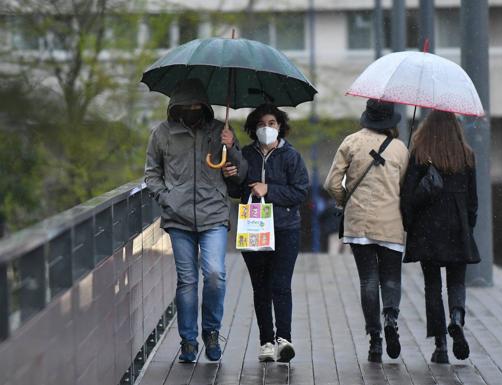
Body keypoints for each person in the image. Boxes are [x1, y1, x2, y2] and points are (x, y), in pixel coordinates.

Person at [144, 79, 248, 363]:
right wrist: (166, 198)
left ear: (205, 106)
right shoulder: (162, 134)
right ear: (175, 107)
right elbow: (151, 173)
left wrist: (232, 147)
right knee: (187, 281)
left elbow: (240, 175)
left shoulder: (220, 131)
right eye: (186, 106)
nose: (192, 110)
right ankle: (188, 341)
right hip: (178, 218)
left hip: (213, 214)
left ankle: (212, 332)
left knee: (215, 275)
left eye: (197, 106)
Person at [324, 99, 409, 362]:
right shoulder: (399, 149)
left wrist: (343, 201)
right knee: (391, 278)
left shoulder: (351, 142)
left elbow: (331, 183)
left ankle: (374, 339)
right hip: (391, 222)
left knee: (368, 280)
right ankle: (390, 318)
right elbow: (406, 188)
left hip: (358, 222)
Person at [224, 103, 309, 362]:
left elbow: (300, 192)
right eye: (261, 124)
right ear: (253, 128)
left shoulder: (291, 157)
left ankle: (284, 339)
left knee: (281, 285)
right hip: (253, 229)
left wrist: (268, 189)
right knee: (260, 287)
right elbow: (235, 192)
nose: (267, 128)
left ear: (280, 126)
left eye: (272, 123)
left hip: (285, 229)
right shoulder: (245, 155)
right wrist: (230, 175)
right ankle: (266, 342)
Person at [400, 109, 480, 364]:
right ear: (455, 128)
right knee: (456, 282)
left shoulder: (420, 153)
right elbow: (472, 201)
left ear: (428, 127)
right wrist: (468, 227)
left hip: (428, 228)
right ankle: (456, 317)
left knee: (432, 286)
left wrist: (409, 225)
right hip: (457, 227)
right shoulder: (466, 156)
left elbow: (408, 197)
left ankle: (441, 346)